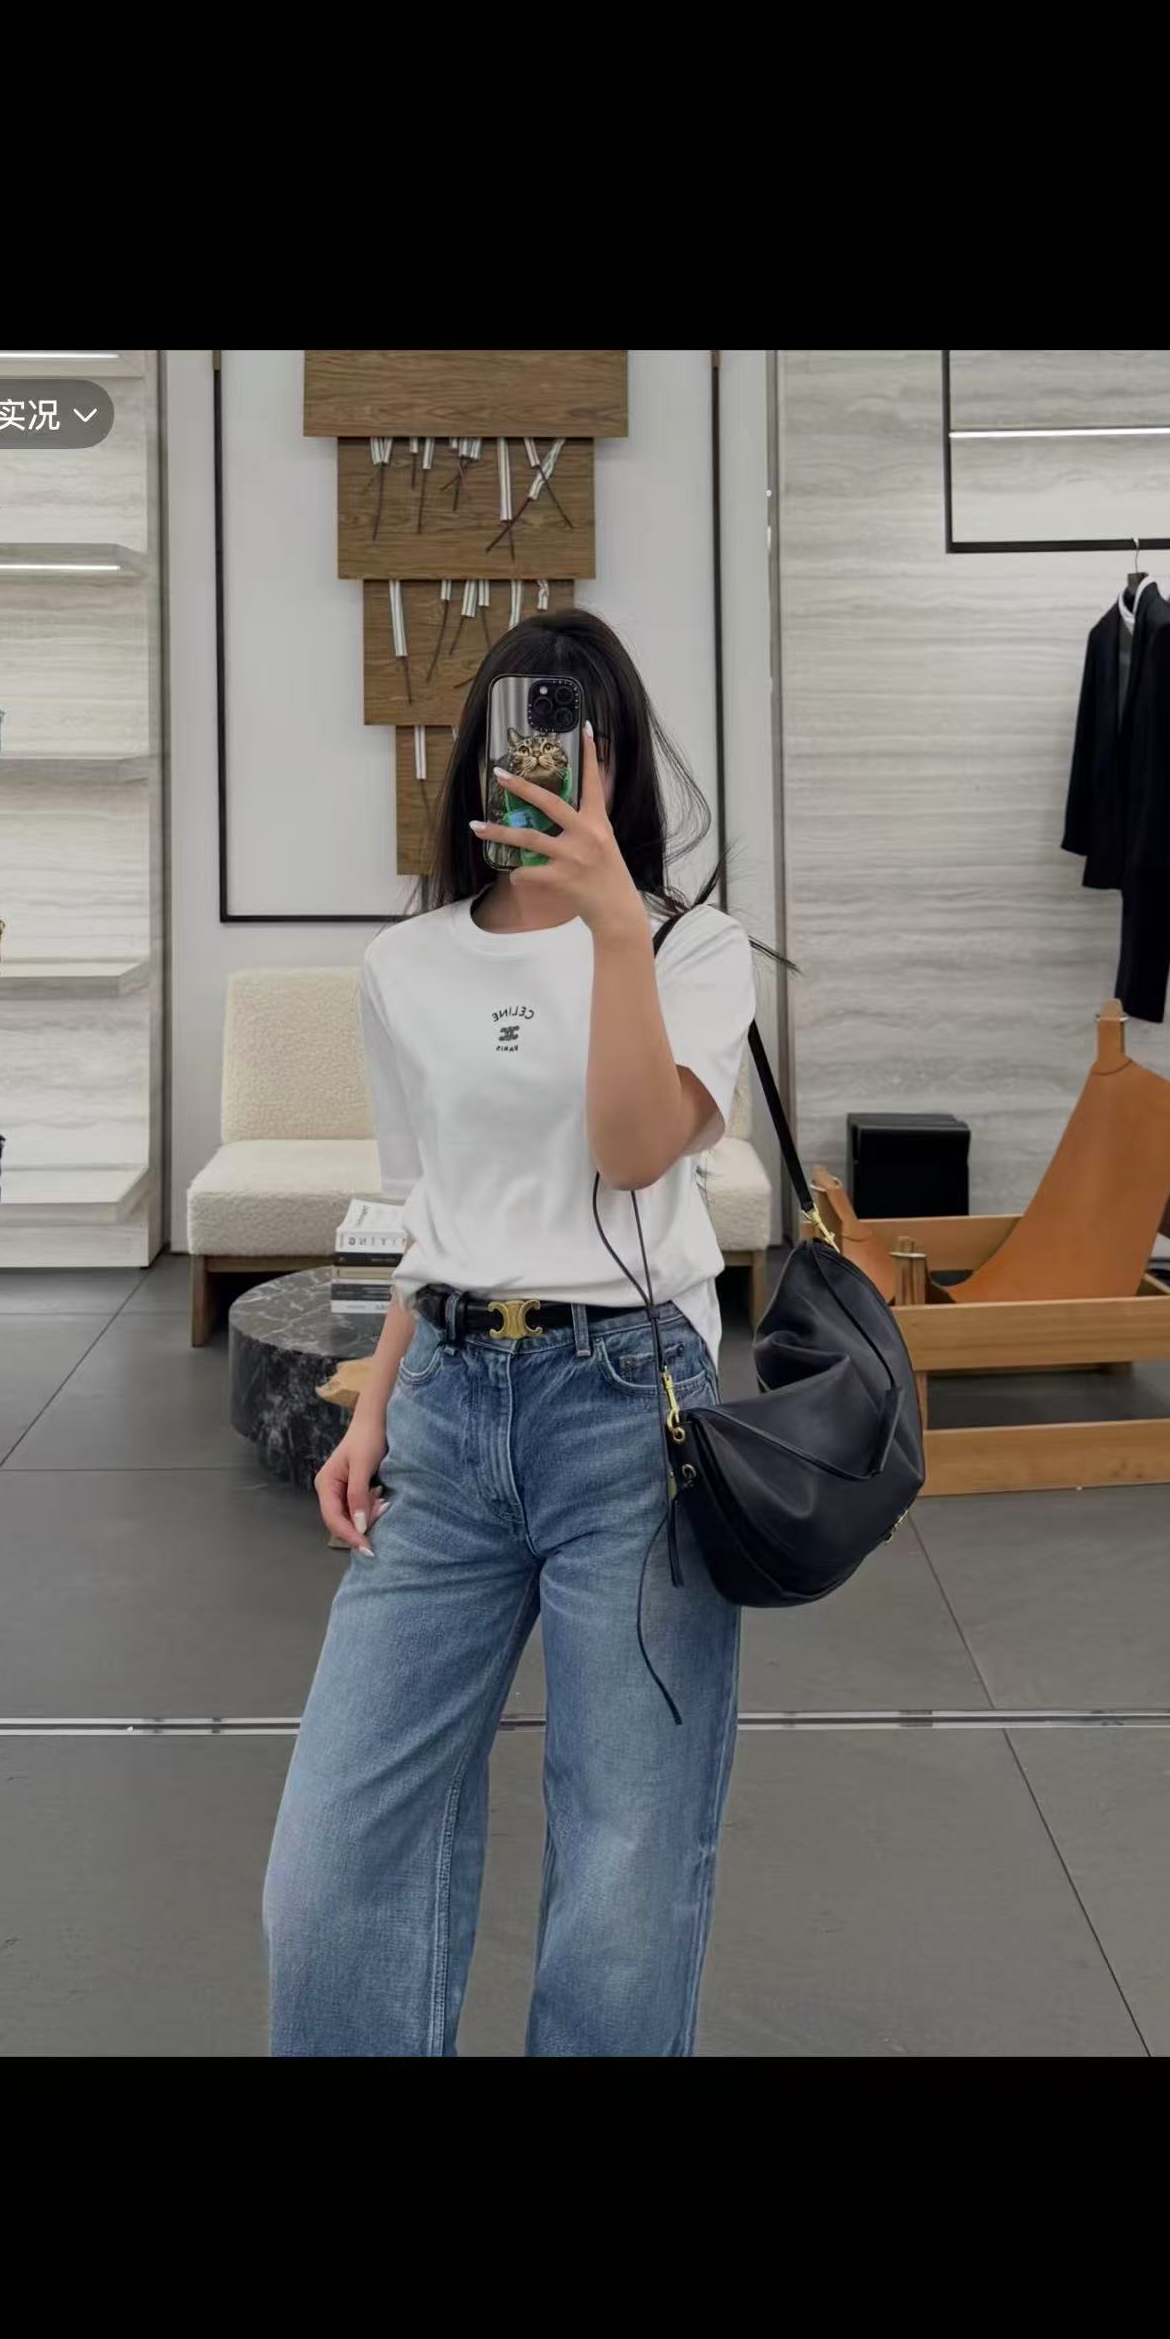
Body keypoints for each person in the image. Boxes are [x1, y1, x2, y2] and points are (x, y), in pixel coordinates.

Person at [264, 610, 756, 2057]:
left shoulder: (695, 946)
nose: (542, 764)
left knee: (625, 1870)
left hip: (633, 1410)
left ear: (615, 760)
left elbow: (633, 1150)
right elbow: (435, 1216)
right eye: (518, 734)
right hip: (447, 1410)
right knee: (332, 1867)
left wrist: (615, 926)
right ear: (480, 757)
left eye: (571, 737)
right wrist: (373, 1406)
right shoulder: (404, 964)